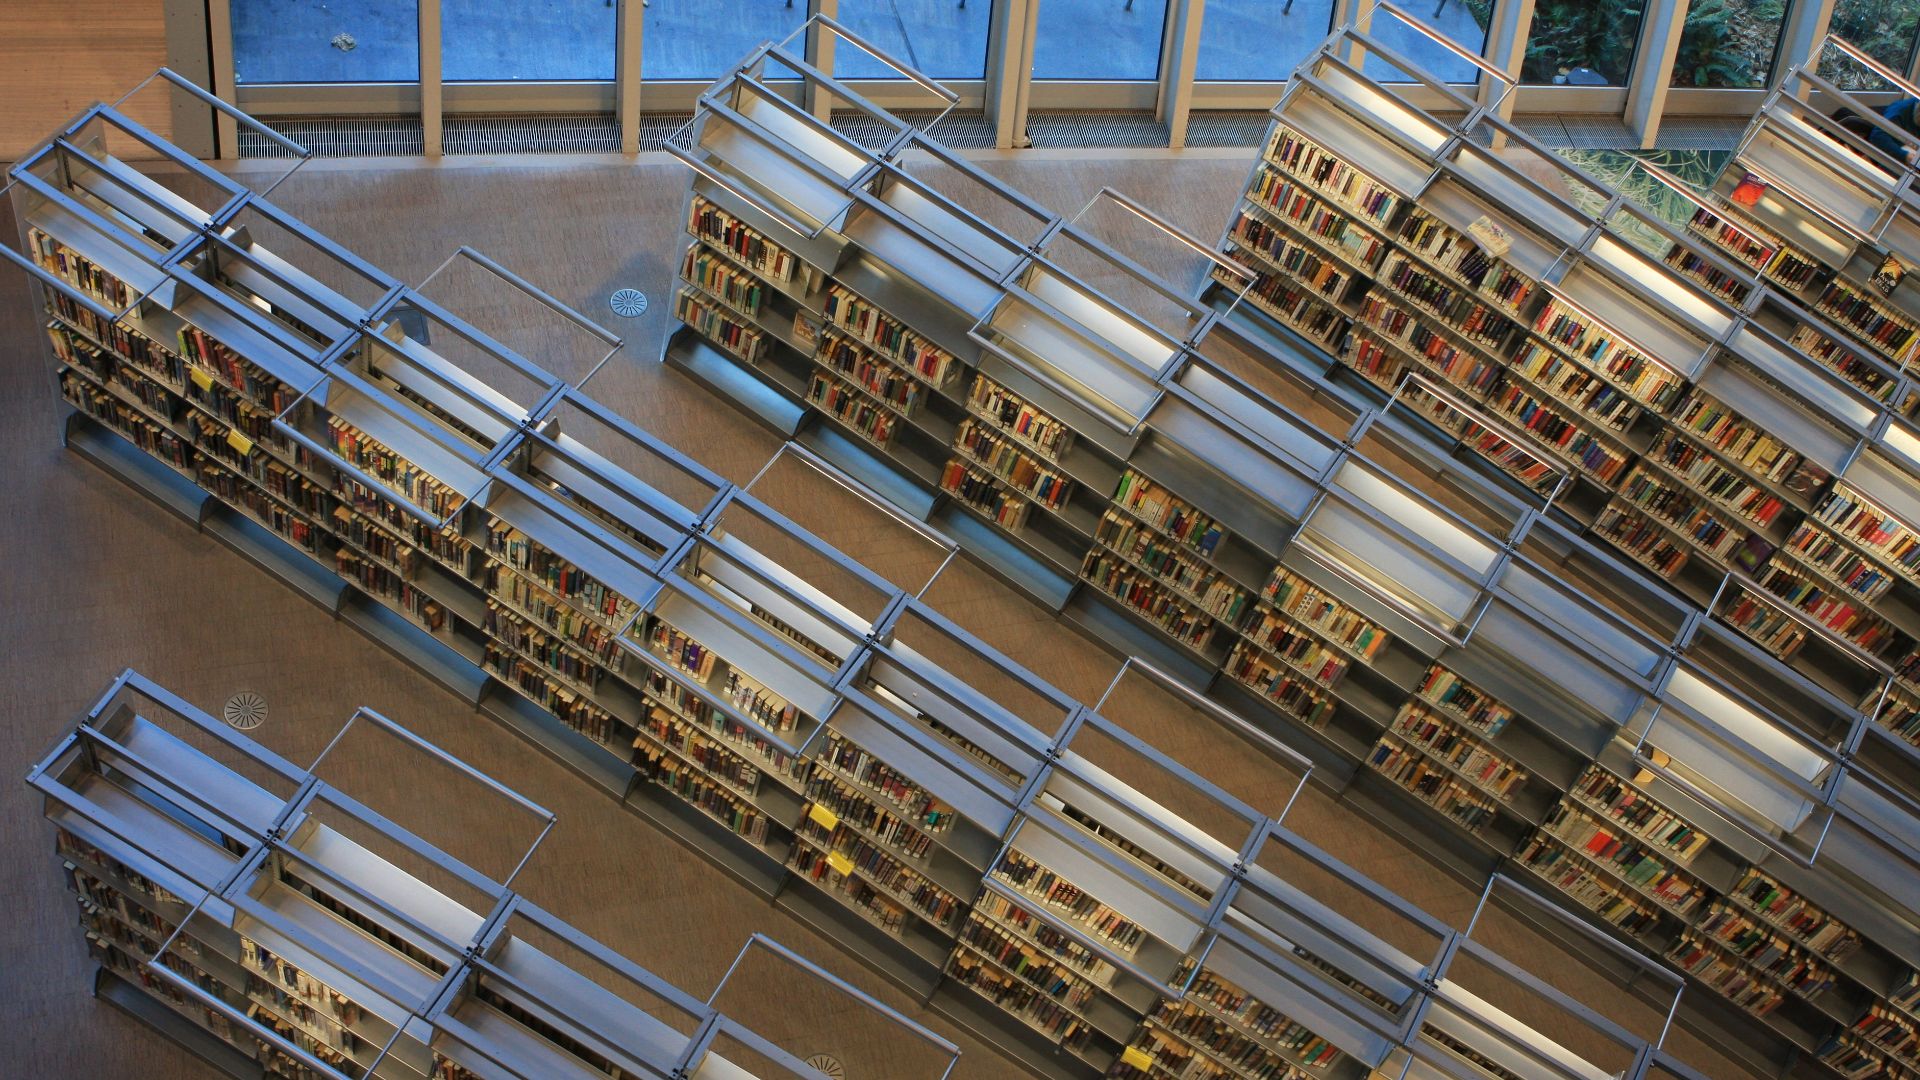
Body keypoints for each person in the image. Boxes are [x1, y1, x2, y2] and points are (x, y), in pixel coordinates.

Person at [1833, 99, 1920, 166]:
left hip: (1894, 148)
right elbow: (1878, 136)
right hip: (1871, 141)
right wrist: (1904, 155)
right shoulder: (1900, 110)